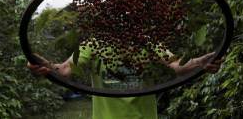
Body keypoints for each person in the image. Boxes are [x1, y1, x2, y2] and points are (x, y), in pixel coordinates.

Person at [27, 47, 223, 119]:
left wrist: (200, 62)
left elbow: (178, 66)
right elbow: (65, 70)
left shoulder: (148, 42)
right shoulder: (94, 44)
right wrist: (44, 66)